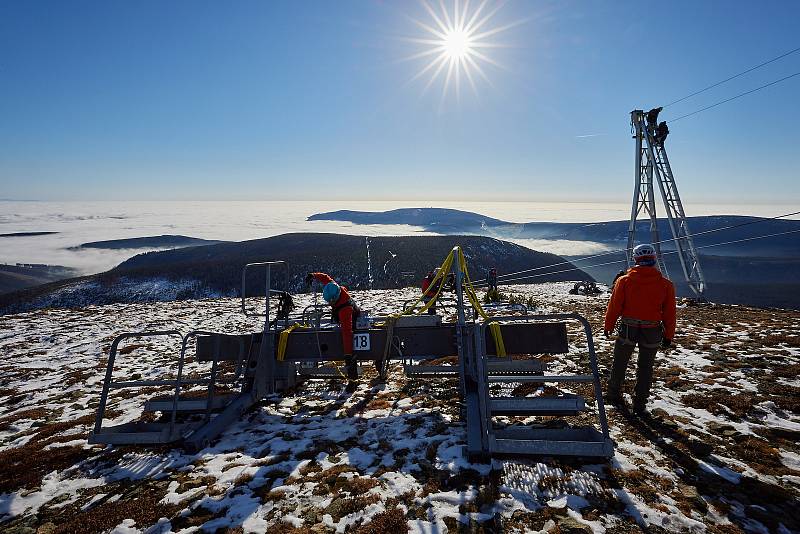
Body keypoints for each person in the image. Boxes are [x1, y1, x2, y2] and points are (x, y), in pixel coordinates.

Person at [603, 244, 676, 414]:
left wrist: (609, 326)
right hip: (652, 330)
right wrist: (668, 335)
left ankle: (613, 394)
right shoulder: (666, 285)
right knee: (645, 367)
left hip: (628, 328)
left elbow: (614, 307)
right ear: (654, 259)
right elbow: (670, 313)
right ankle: (639, 403)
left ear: (635, 259)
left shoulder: (624, 281)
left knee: (620, 363)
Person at [305, 272, 361, 380]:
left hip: (350, 319)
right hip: (341, 314)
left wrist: (348, 355)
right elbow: (324, 277)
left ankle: (352, 378)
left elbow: (347, 332)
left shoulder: (345, 310)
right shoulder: (332, 286)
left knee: (350, 353)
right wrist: (313, 275)